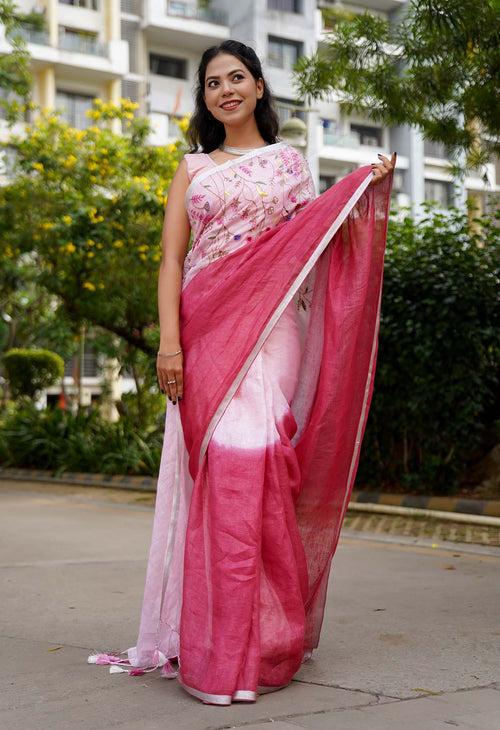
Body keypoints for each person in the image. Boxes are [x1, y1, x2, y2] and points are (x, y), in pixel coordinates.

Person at [88, 39, 396, 705]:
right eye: (213, 83)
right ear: (205, 100)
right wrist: (170, 345)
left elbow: (314, 239)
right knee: (225, 465)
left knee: (255, 457)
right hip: (205, 327)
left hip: (274, 327)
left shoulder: (289, 165)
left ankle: (270, 642)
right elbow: (172, 260)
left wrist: (364, 187)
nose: (226, 89)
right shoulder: (193, 168)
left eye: (237, 77)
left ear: (258, 87)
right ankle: (219, 647)